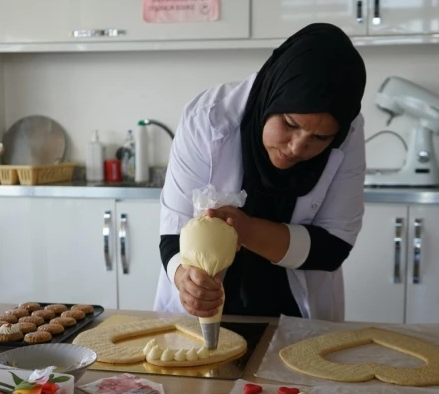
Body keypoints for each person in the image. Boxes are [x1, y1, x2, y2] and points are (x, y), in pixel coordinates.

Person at [153, 23, 367, 321]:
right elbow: (174, 232)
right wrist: (185, 280)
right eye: (290, 124)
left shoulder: (348, 131)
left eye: (319, 139)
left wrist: (245, 229)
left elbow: (332, 246)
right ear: (273, 97)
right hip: (207, 309)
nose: (296, 147)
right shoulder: (208, 118)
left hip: (295, 313)